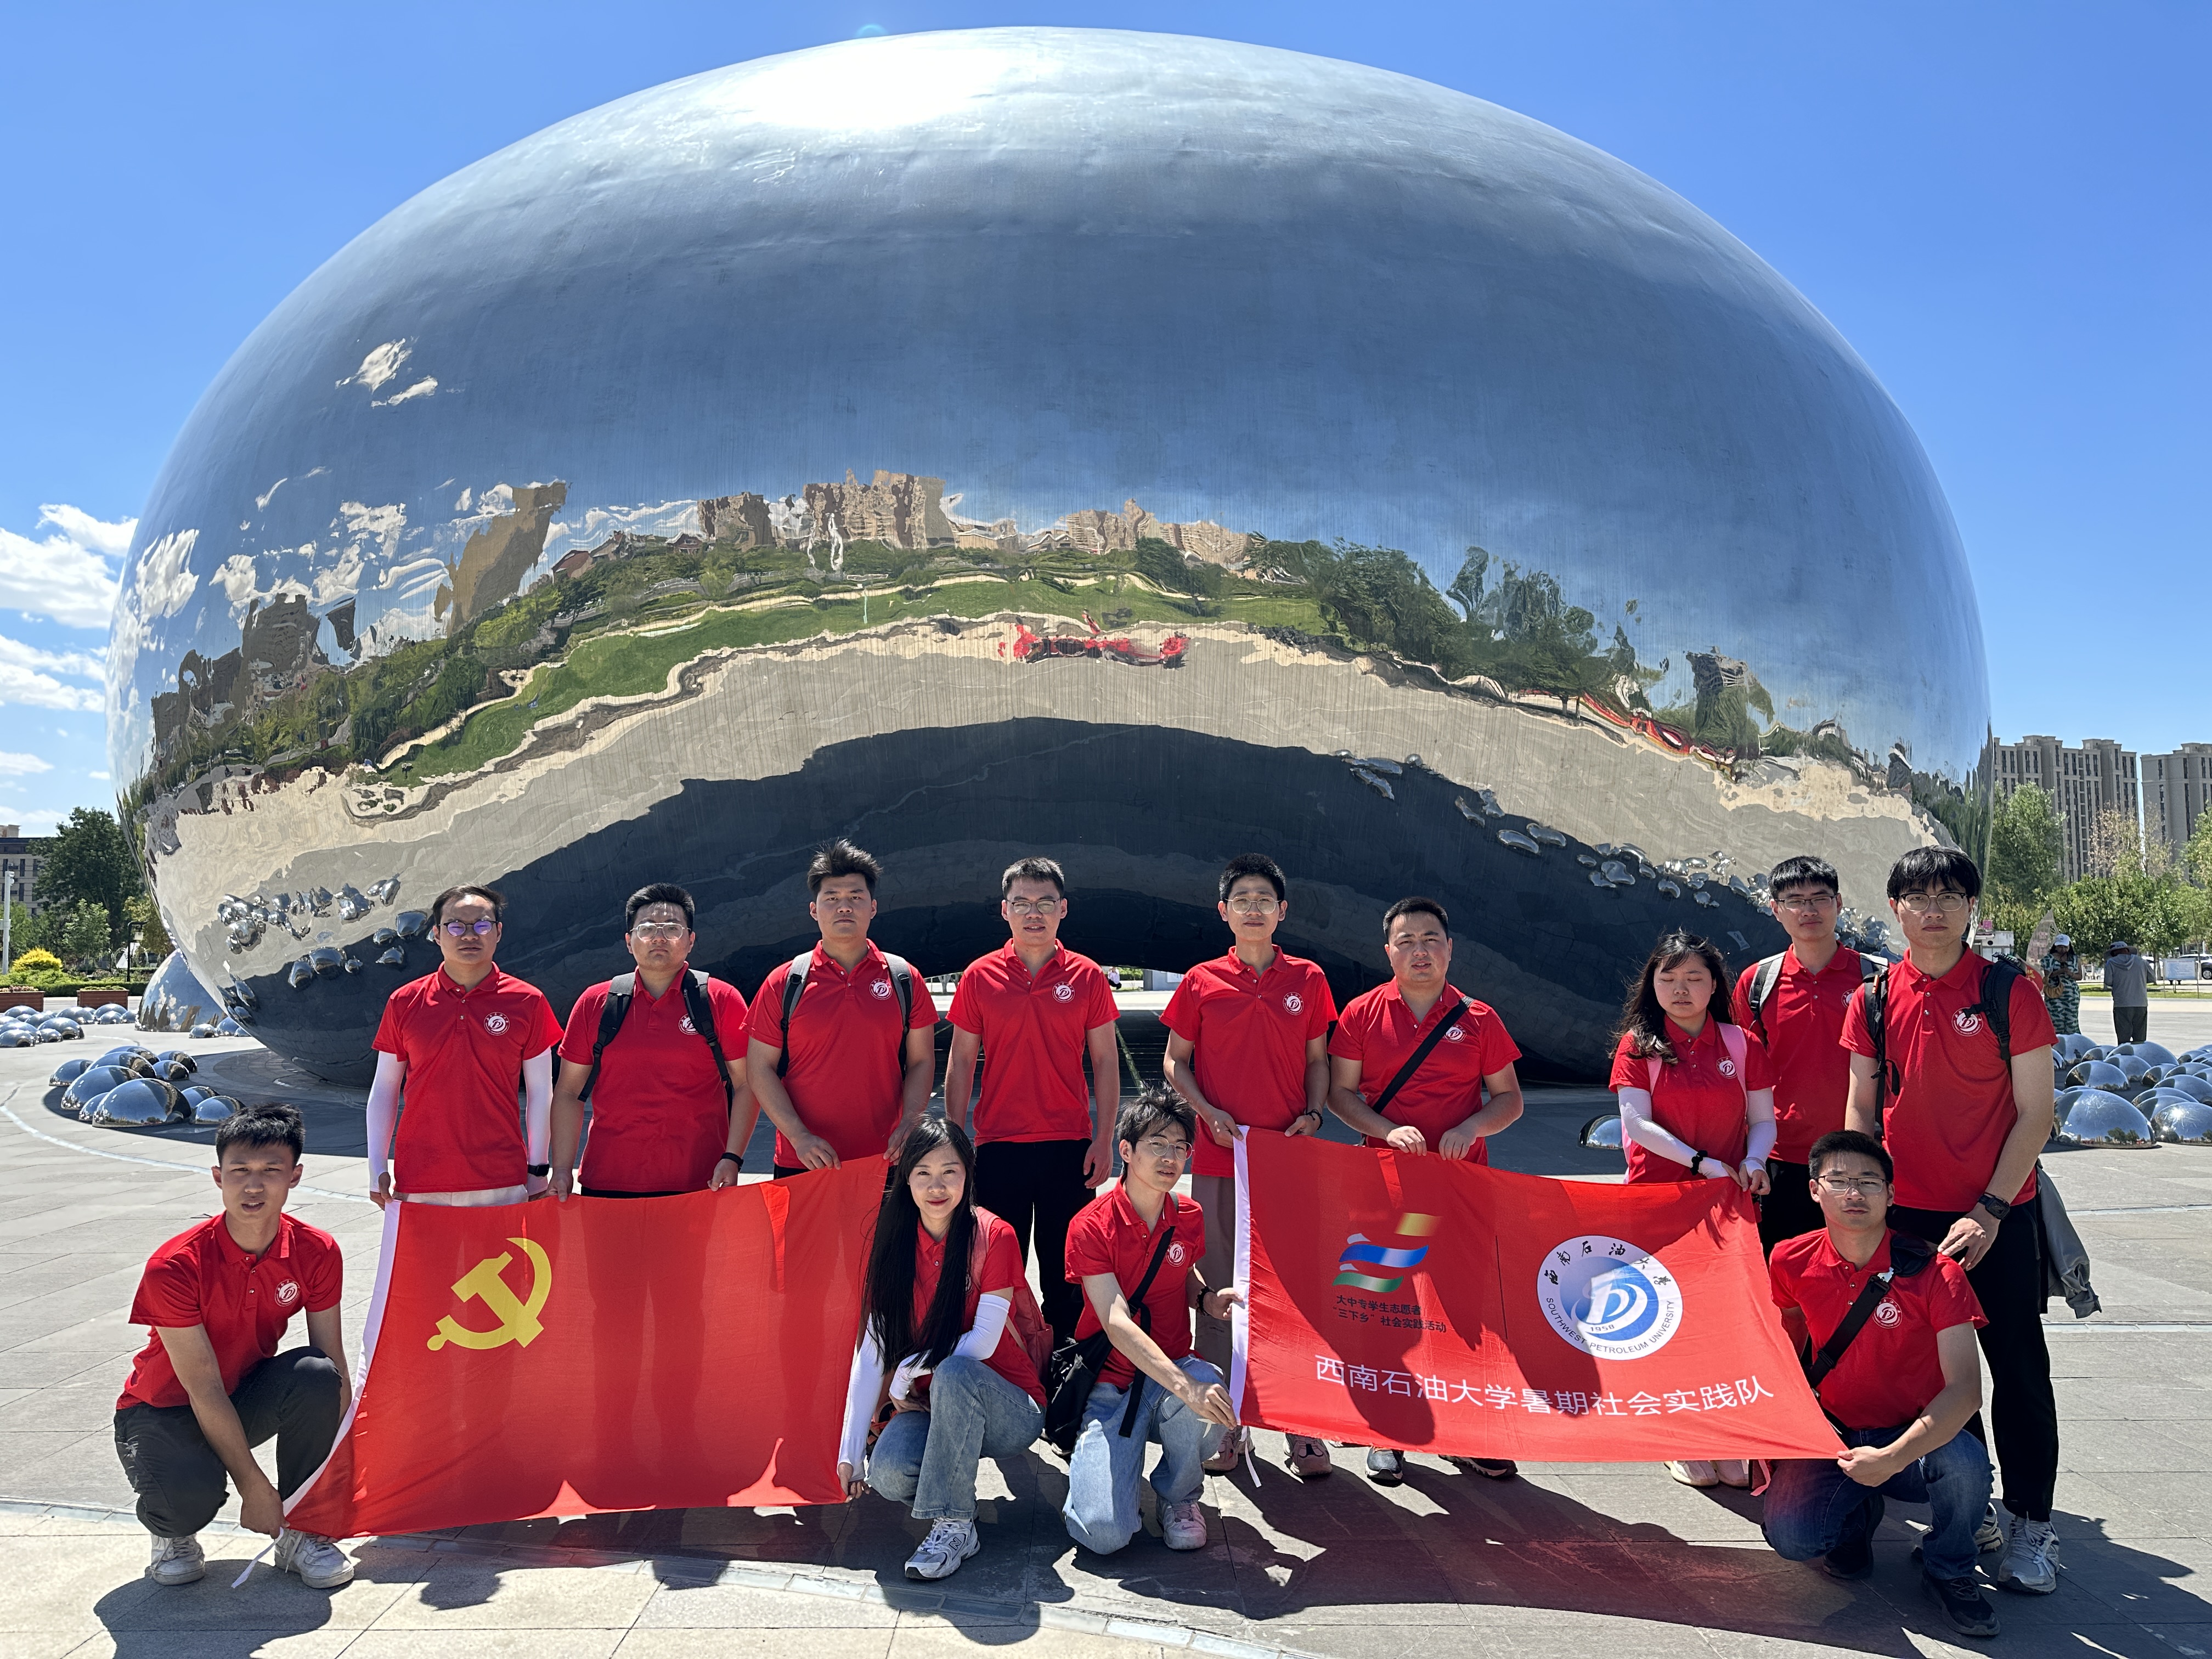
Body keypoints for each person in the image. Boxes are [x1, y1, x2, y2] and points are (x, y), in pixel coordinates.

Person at [1844, 846, 2060, 1594]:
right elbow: (1862, 1106)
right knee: (1938, 1373)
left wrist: (1991, 1209)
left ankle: (2033, 1524)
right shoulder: (1874, 997)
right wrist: (1860, 1198)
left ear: (1972, 907)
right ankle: (1974, 1510)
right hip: (1909, 1217)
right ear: (1895, 908)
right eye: (1918, 897)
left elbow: (2037, 1114)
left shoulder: (2008, 993)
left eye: (1948, 896)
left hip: (2000, 1214)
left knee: (2019, 1372)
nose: (1932, 910)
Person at [1762, 1130, 2000, 1639]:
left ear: (1891, 1195)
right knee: (1793, 1538)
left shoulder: (1938, 1273)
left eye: (1869, 1182)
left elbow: (1965, 1391)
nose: (1854, 1193)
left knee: (1966, 1464)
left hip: (1914, 1439)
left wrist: (1892, 1457)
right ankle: (1854, 1518)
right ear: (1814, 1190)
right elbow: (1784, 1342)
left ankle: (1950, 1568)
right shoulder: (1788, 1259)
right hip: (1835, 1434)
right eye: (1839, 1181)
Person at [113, 1104, 355, 1590]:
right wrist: (254, 1485)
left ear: (295, 1176)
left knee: (317, 1373)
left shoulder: (317, 1251)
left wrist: (339, 1471)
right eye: (240, 1171)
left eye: (271, 1171)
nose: (253, 1186)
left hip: (240, 1395)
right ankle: (172, 1533)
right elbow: (202, 1388)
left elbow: (333, 1360)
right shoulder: (175, 1266)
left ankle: (302, 1533)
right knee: (191, 1497)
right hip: (163, 1409)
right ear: (217, 1176)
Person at [1328, 896, 1525, 1486]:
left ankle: (1466, 1433)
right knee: (1384, 1305)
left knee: (1465, 1310)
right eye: (1407, 941)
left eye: (1431, 939)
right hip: (1385, 1186)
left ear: (1450, 949)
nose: (1420, 951)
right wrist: (1387, 1130)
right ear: (1389, 951)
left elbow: (1509, 1099)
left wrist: (1473, 1127)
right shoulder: (1362, 1013)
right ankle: (1387, 1432)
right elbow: (1340, 1095)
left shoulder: (1479, 1018)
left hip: (1461, 1189)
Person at [1161, 853, 1336, 1477]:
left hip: (1287, 1160)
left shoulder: (1309, 979)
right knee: (1220, 1290)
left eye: (1265, 899)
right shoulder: (1201, 981)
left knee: (1291, 1291)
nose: (1254, 909)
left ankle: (1299, 1425)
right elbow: (1175, 1062)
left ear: (1282, 910)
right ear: (1224, 912)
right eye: (1242, 900)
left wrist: (1313, 1113)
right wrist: (1206, 1112)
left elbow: (1318, 1061)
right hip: (1219, 1156)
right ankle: (1224, 1425)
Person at [837, 1119, 1047, 1582]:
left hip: (1008, 1408)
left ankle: (953, 1525)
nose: (937, 1187)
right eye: (924, 1173)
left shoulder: (995, 1235)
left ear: (968, 1174)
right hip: (931, 1406)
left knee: (953, 1370)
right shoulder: (890, 1242)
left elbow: (983, 1343)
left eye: (950, 1172)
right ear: (906, 1178)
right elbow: (872, 1350)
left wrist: (909, 1370)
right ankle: (959, 1506)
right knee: (888, 1473)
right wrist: (849, 1452)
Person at [1610, 927, 1776, 1491]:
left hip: (1726, 1204)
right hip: (1658, 1205)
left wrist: (1753, 1161)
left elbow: (1763, 1120)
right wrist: (1701, 1162)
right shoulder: (1638, 1046)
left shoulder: (1741, 1044)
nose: (1680, 990)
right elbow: (1636, 1124)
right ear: (1652, 985)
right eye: (1669, 978)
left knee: (1721, 1319)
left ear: (1714, 987)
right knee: (1667, 1319)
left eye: (1693, 978)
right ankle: (1680, 1436)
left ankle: (1722, 1434)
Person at [945, 856, 1120, 1345]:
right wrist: (954, 1140)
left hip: (1069, 1146)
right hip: (998, 1146)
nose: (1033, 913)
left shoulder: (1087, 976)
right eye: (1021, 903)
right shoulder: (980, 976)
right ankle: (1006, 1360)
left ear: (1063, 908)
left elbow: (1106, 1061)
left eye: (1045, 903)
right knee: (996, 1270)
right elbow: (961, 1061)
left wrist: (1104, 1139)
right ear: (1005, 910)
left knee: (1067, 1273)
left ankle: (1064, 1362)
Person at [1062, 1086, 1240, 1555]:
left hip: (1172, 1373)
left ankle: (1179, 1497)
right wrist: (1186, 1386)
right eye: (1157, 1144)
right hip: (1111, 1384)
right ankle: (1110, 1467)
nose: (1170, 1157)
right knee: (1103, 1535)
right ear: (1126, 1150)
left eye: (1180, 1147)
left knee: (1210, 1385)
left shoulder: (1190, 1215)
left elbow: (1181, 1271)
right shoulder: (1090, 1225)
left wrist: (1206, 1300)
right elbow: (1115, 1320)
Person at [549, 882, 754, 1197]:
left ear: (691, 941)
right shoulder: (595, 1002)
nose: (659, 937)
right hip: (607, 1181)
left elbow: (747, 1084)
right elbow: (568, 1091)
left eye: (672, 928)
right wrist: (562, 1170)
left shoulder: (720, 999)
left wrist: (733, 1158)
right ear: (629, 942)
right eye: (646, 929)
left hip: (700, 1182)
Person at [747, 840, 938, 1177]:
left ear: (873, 907)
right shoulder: (785, 982)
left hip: (886, 1157)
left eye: (855, 897)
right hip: (804, 1159)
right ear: (814, 909)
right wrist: (798, 1136)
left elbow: (921, 1060)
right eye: (832, 898)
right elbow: (759, 1068)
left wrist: (910, 1123)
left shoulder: (904, 978)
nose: (844, 907)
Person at [366, 884, 564, 1206]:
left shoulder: (528, 1001)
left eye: (482, 925)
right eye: (456, 926)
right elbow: (385, 1088)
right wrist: (376, 1167)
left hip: (501, 1178)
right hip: (420, 1179)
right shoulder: (404, 1001)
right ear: (436, 934)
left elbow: (542, 1091)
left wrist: (538, 1168)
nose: (470, 935)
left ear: (498, 932)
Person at [1732, 856, 1869, 1255]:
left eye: (1820, 898)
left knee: (1860, 1271)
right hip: (1781, 1157)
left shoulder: (1876, 979)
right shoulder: (1758, 982)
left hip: (1861, 1156)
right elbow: (1741, 1072)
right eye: (1795, 901)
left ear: (1838, 903)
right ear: (1776, 910)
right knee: (1782, 1273)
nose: (1809, 910)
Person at [2102, 940, 2152, 1046]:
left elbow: (2108, 982)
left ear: (2114, 952)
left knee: (2123, 1039)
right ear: (2127, 950)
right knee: (2140, 1039)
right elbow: (2152, 978)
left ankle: (2124, 1054)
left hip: (2122, 1003)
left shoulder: (2111, 963)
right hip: (2141, 1003)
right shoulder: (2142, 962)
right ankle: (2139, 1054)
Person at [2038, 935, 2081, 1037]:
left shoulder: (2075, 959)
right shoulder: (2049, 959)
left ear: (2069, 946)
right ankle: (2057, 1042)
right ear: (2056, 947)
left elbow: (2080, 976)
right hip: (2055, 995)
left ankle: (2073, 1042)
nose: (2063, 949)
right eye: (2060, 947)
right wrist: (2061, 971)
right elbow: (2048, 975)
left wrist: (2071, 974)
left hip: (2071, 996)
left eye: (2065, 947)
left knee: (2072, 1021)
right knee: (2056, 1020)